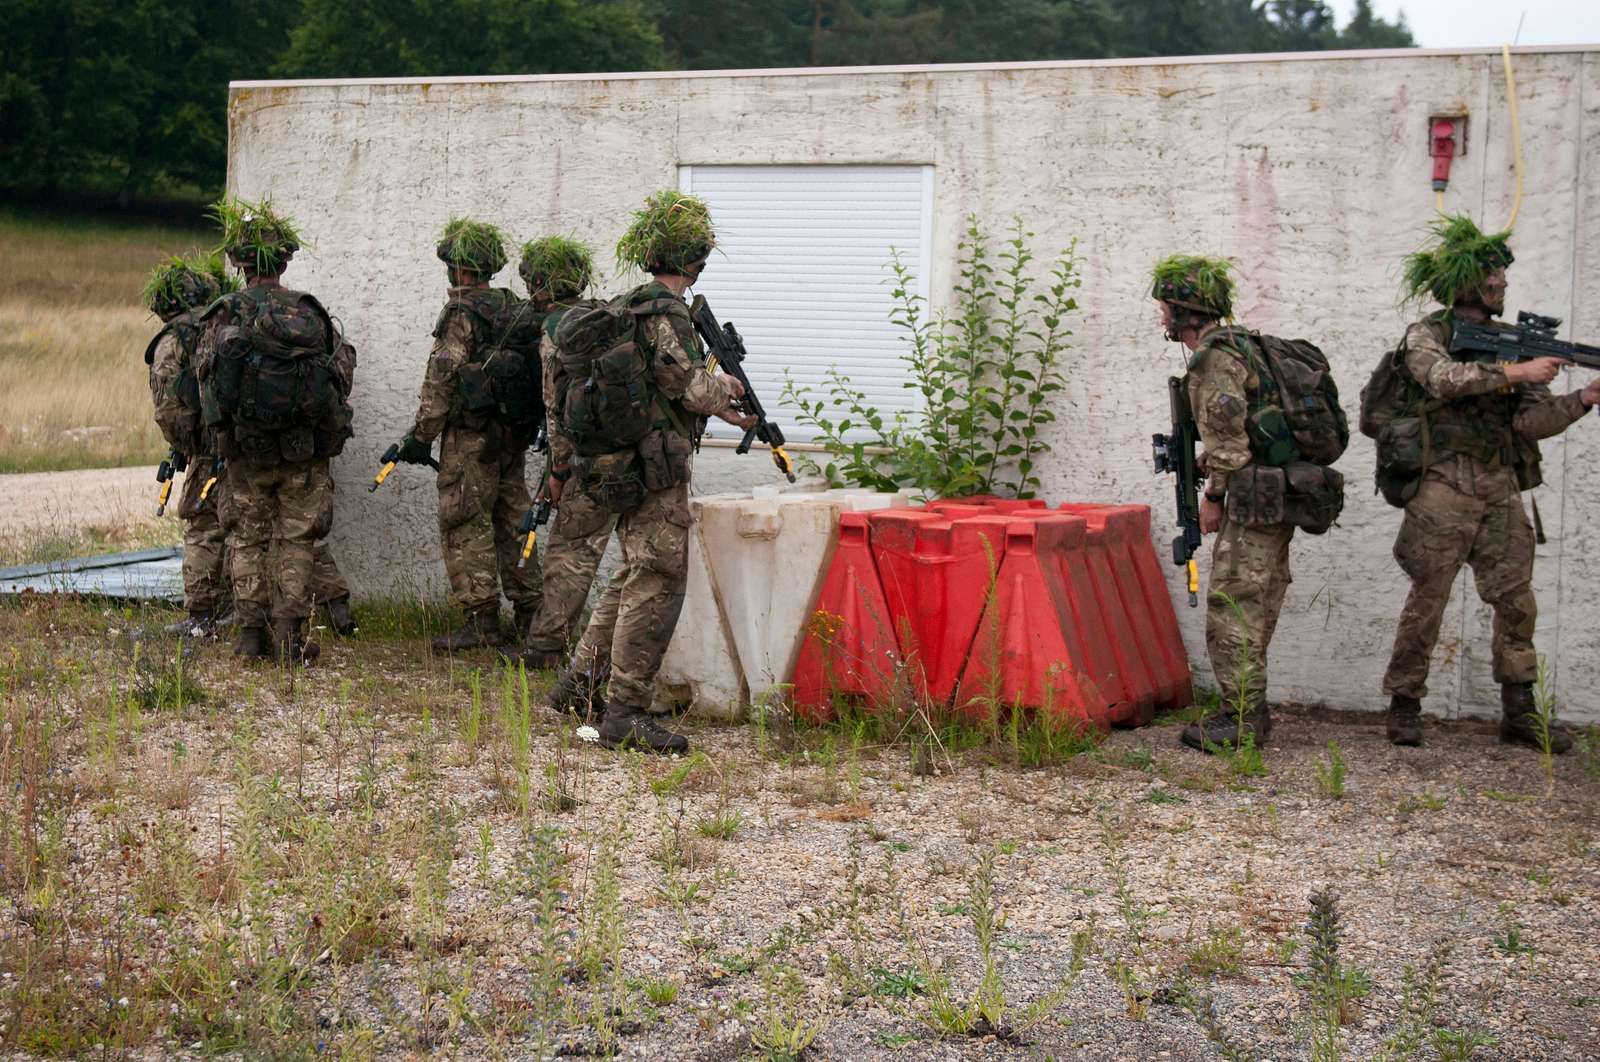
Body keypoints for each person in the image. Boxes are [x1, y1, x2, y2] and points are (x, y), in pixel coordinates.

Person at [1378, 216, 1600, 749]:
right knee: (1428, 599)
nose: (1501, 286)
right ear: (1465, 285)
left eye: (1502, 278)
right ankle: (1404, 705)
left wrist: (1583, 399)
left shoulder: (1512, 343)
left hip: (1499, 486)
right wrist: (1515, 372)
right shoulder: (1429, 334)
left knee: (1516, 600)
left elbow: (1530, 423)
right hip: (1444, 486)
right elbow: (1442, 379)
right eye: (1491, 279)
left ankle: (1519, 711)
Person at [545, 190, 753, 752]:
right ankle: (624, 712)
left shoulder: (622, 306)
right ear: (695, 261)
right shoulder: (667, 314)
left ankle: (579, 686)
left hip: (613, 461)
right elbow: (687, 385)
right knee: (657, 578)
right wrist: (727, 388)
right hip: (653, 470)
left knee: (631, 574)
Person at [196, 197, 353, 665]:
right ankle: (288, 636)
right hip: (303, 452)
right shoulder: (310, 312)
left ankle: (249, 636)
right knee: (296, 539)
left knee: (246, 537)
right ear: (284, 262)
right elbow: (339, 377)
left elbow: (205, 385)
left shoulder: (225, 312)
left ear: (241, 264)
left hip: (244, 452)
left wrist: (220, 437)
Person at [1152, 255, 1299, 753]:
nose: (1161, 318)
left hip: (1253, 497)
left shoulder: (1215, 359)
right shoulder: (1246, 346)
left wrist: (1213, 495)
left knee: (1233, 603)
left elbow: (1231, 450)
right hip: (1278, 492)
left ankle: (1240, 719)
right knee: (1256, 601)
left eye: (1165, 308)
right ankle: (1248, 710)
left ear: (1182, 311)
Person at [395, 218, 542, 652]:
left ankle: (481, 620)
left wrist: (421, 435)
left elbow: (441, 378)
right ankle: (533, 612)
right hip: (511, 436)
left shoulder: (461, 314)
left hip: (472, 438)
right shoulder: (515, 308)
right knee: (514, 520)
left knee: (464, 521)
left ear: (457, 269)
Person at [514, 235, 618, 670]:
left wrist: (557, 471)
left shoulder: (557, 332)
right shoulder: (604, 314)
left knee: (570, 551)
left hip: (583, 458)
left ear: (540, 285)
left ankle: (545, 648)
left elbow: (555, 408)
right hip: (627, 451)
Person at [144, 253, 229, 637]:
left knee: (202, 525)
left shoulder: (174, 339)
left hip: (209, 450)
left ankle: (202, 616)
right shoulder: (222, 321)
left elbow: (169, 410)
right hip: (245, 444)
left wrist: (188, 444)